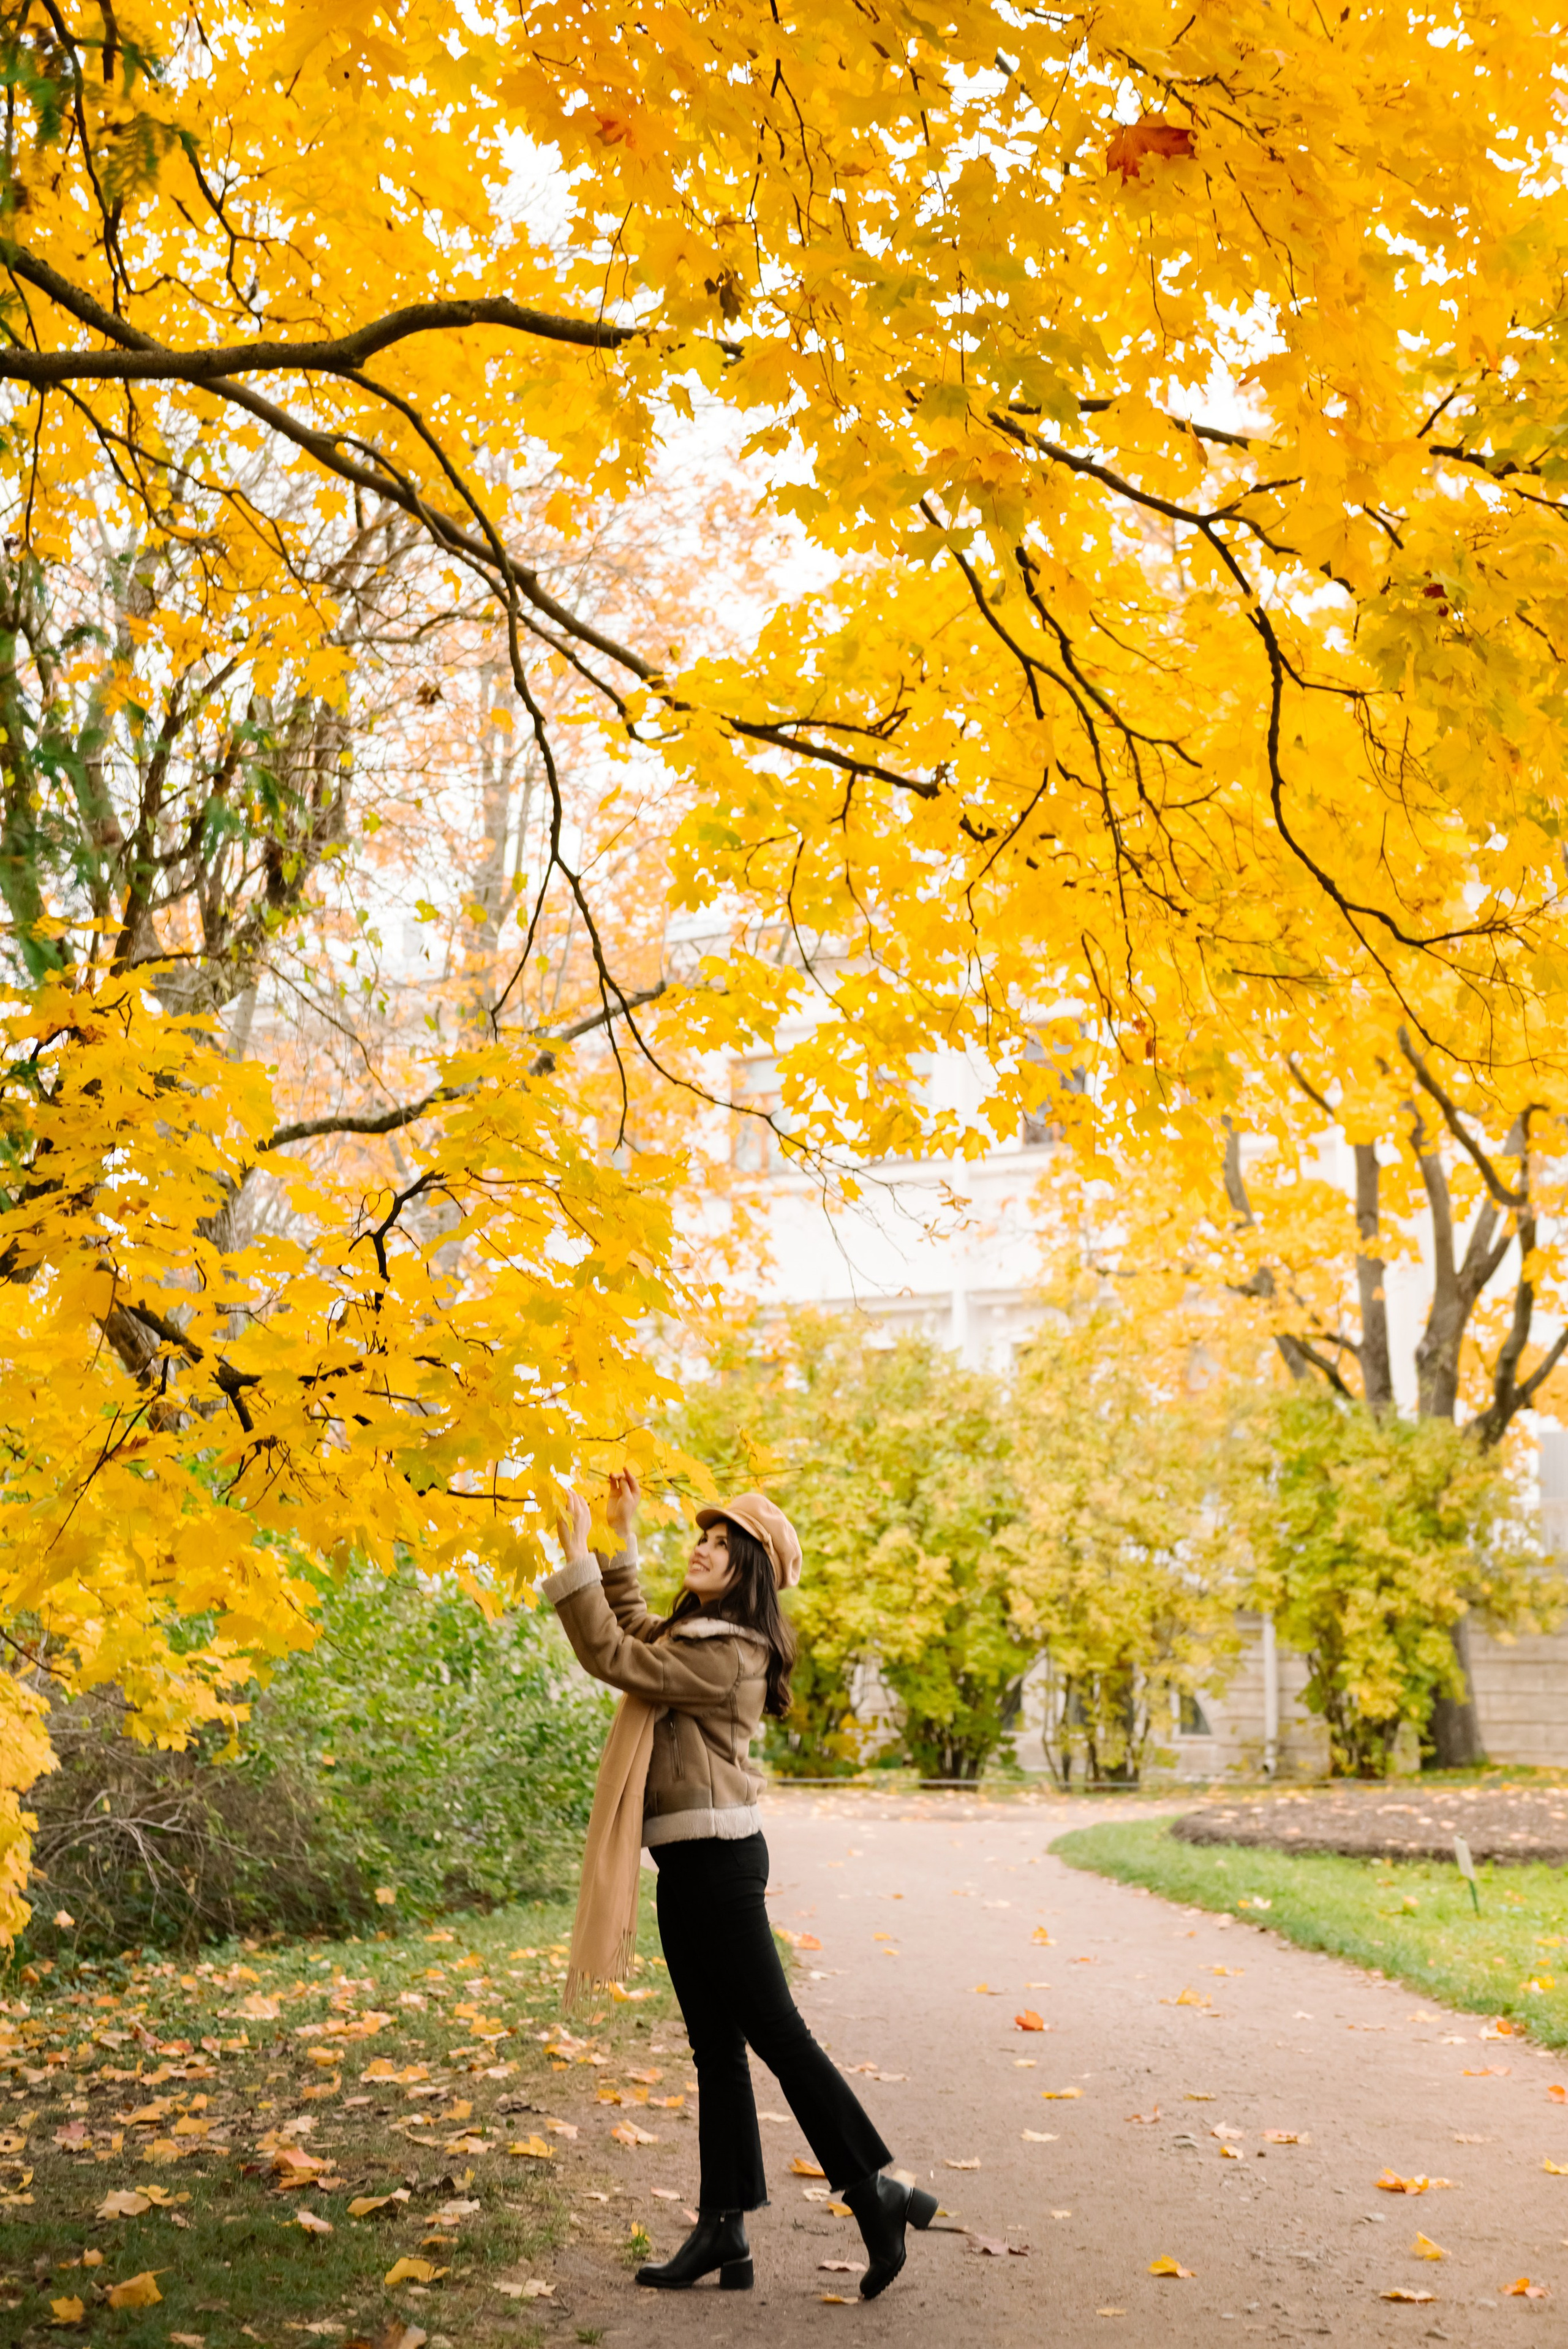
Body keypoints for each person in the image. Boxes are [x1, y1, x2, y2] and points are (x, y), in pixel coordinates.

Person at [543, 1469, 937, 2299]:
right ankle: (724, 2228)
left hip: (720, 1866)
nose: (705, 1546)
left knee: (779, 2038)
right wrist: (623, 1540)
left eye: (724, 1544)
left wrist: (580, 1557)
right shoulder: (697, 1638)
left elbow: (617, 1655)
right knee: (715, 2049)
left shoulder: (729, 1654)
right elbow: (643, 1631)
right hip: (688, 1861)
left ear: (750, 1571)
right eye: (704, 1536)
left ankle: (877, 2193)